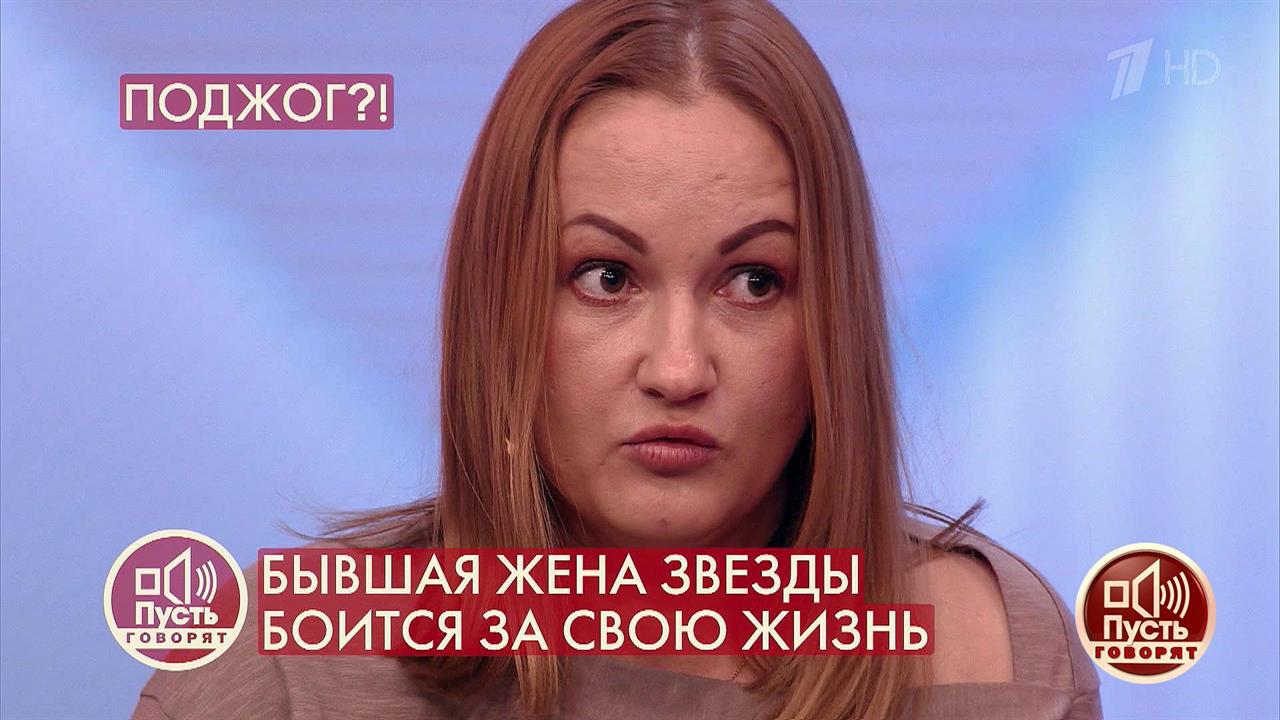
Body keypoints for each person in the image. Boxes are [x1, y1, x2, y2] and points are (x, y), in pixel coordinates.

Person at [131, 0, 1101, 718]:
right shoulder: (279, 669)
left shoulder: (997, 654)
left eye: (753, 282)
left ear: (830, 326)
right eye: (605, 277)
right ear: (501, 308)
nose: (678, 370)